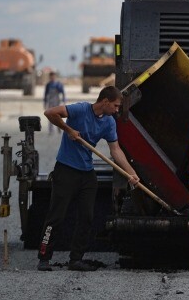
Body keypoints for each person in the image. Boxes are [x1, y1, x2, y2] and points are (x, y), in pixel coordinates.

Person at [37, 86, 140, 272]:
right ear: (105, 101)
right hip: (66, 170)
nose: (117, 110)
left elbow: (115, 150)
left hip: (86, 174)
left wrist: (131, 173)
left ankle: (75, 260)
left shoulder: (109, 122)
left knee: (87, 217)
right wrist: (68, 129)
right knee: (56, 216)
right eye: (116, 106)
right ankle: (44, 257)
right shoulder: (80, 110)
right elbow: (50, 112)